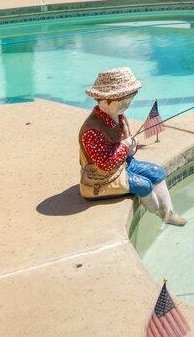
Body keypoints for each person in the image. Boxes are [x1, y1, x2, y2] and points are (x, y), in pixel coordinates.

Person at [79, 67, 186, 226]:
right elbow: (105, 164)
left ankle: (168, 213)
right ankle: (157, 212)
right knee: (144, 185)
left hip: (123, 164)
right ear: (104, 100)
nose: (126, 105)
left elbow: (125, 146)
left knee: (157, 172)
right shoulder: (92, 130)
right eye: (122, 102)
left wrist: (131, 146)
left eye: (129, 101)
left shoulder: (118, 116)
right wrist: (124, 147)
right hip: (103, 177)